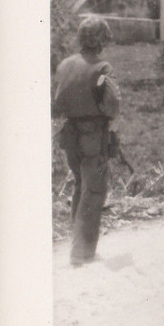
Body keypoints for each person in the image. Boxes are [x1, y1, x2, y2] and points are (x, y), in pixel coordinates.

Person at [53, 17, 121, 266]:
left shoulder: (66, 64)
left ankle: (77, 244)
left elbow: (58, 102)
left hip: (69, 134)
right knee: (93, 191)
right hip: (94, 135)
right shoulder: (103, 67)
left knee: (80, 186)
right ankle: (82, 252)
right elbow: (112, 106)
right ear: (101, 40)